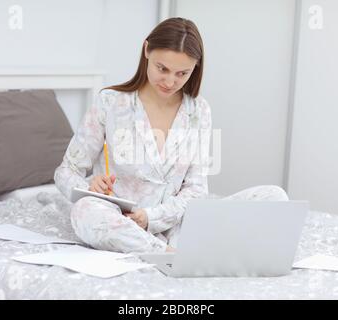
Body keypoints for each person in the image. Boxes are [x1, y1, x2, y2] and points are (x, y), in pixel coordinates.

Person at [54, 17, 288, 254]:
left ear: (195, 68)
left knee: (274, 196)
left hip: (177, 221)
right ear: (146, 50)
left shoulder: (199, 110)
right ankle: (166, 254)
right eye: (162, 68)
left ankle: (177, 248)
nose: (170, 81)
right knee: (85, 211)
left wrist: (151, 218)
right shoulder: (110, 102)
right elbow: (66, 171)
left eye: (182, 73)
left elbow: (196, 190)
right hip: (119, 220)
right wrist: (89, 186)